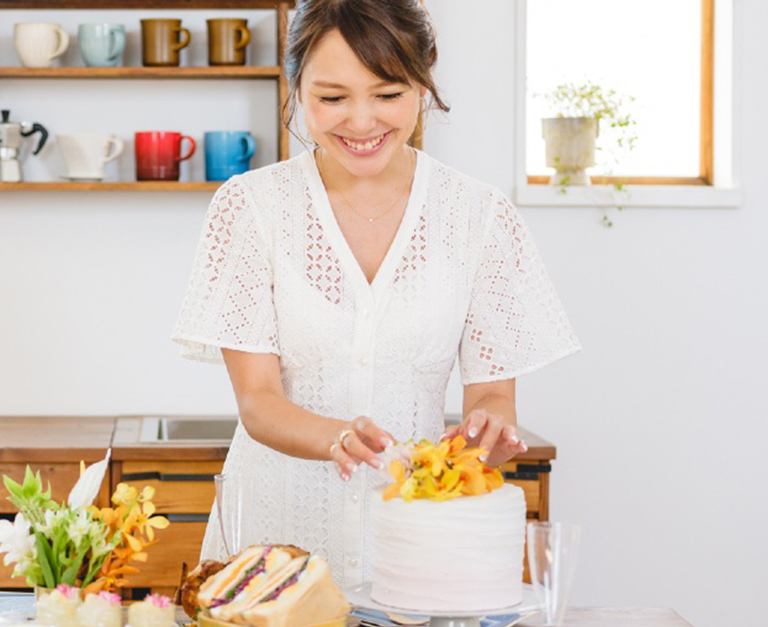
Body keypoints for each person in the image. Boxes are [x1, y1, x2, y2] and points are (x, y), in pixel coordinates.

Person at [170, 0, 580, 588]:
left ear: (422, 83)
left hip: (414, 547)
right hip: (277, 542)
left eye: (387, 94)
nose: (361, 122)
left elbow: (492, 393)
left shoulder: (478, 216)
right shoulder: (251, 208)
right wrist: (333, 437)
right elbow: (258, 400)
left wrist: (486, 429)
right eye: (332, 98)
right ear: (296, 89)